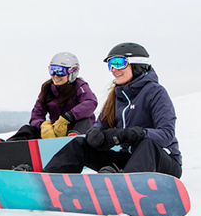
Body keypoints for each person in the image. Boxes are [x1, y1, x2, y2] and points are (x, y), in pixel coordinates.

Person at [42, 43, 182, 177]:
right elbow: (100, 125)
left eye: (118, 63)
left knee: (147, 144)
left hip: (163, 162)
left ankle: (122, 185)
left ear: (137, 65)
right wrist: (95, 135)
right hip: (129, 160)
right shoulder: (116, 95)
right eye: (111, 65)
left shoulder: (156, 92)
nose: (114, 69)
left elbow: (166, 134)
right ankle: (47, 179)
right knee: (80, 144)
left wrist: (134, 134)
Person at [6, 52, 97, 141]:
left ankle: (74, 139)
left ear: (72, 73)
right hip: (55, 132)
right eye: (52, 70)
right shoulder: (47, 89)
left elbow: (90, 102)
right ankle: (8, 146)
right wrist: (42, 125)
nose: (55, 75)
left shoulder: (80, 86)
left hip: (76, 128)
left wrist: (68, 117)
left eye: (60, 72)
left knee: (85, 120)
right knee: (28, 129)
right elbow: (36, 115)